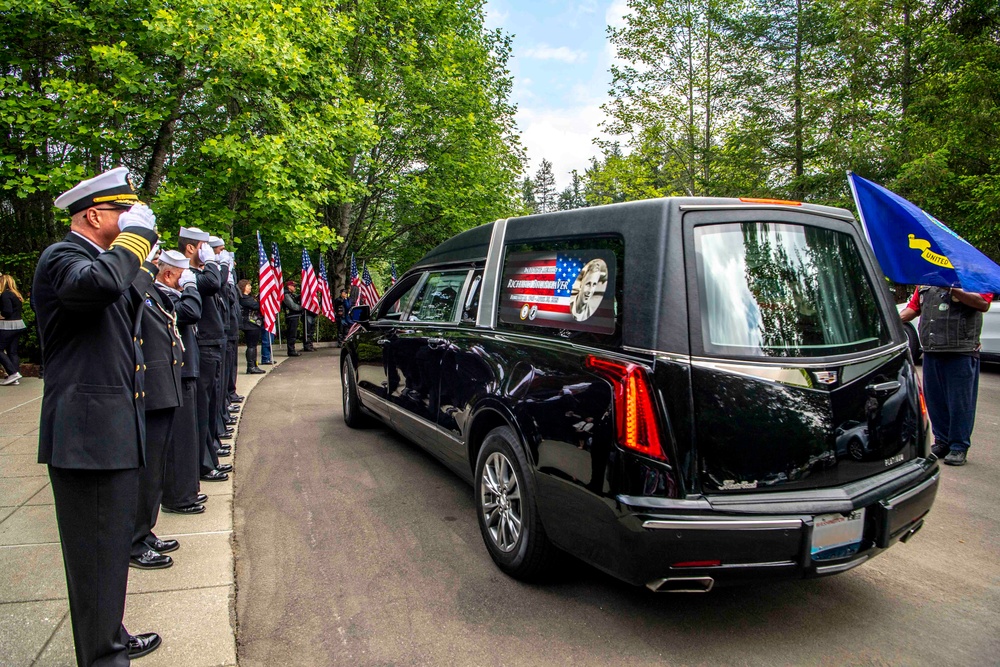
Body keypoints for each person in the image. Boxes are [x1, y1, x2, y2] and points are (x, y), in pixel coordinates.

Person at [33, 166, 162, 664]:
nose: (129, 218)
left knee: (108, 552)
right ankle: (102, 656)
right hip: (86, 436)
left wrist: (143, 255)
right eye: (121, 211)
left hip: (108, 431)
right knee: (94, 556)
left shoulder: (100, 260)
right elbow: (102, 283)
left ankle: (110, 634)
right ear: (93, 214)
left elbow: (128, 291)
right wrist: (137, 237)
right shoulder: (64, 256)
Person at [130, 246, 187, 571]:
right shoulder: (140, 289)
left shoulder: (153, 292)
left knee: (155, 469)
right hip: (151, 389)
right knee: (147, 469)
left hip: (163, 389)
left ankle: (145, 530)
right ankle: (135, 538)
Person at [900, 285, 993, 466]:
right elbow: (913, 309)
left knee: (960, 402)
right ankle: (942, 442)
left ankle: (959, 446)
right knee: (935, 400)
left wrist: (952, 289)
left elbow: (983, 304)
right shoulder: (926, 282)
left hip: (960, 351)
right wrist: (889, 320)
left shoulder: (969, 276)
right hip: (931, 349)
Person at [178, 227, 232, 483]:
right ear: (191, 248)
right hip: (202, 345)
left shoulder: (199, 272)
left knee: (210, 405)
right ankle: (202, 462)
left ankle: (209, 454)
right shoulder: (188, 274)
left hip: (212, 342)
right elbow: (213, 284)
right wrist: (212, 261)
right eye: (205, 247)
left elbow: (219, 287)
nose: (212, 254)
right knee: (202, 408)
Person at [157, 251, 208, 515]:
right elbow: (191, 311)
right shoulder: (161, 294)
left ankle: (187, 491)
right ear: (167, 274)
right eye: (180, 275)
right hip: (177, 372)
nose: (184, 280)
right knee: (179, 440)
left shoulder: (168, 293)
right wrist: (190, 286)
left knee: (187, 437)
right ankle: (178, 496)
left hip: (186, 370)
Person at [0, 274, 27, 385]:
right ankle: (15, 376)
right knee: (12, 351)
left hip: (8, 326)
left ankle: (12, 373)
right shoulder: (16, 294)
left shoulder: (5, 294)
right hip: (19, 325)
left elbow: (7, 311)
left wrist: (1, 316)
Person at [238, 279, 265, 374]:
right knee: (251, 346)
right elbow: (256, 306)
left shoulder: (247, 298)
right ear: (243, 287)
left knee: (253, 346)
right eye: (248, 285)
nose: (250, 287)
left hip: (253, 324)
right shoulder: (243, 298)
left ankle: (254, 365)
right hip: (250, 324)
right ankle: (251, 366)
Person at [283, 280, 303, 356]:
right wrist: (302, 308)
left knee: (293, 334)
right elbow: (292, 306)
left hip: (294, 316)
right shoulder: (286, 295)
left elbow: (296, 298)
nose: (295, 288)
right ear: (289, 286)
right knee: (291, 334)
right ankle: (291, 350)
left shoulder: (290, 294)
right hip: (291, 316)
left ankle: (292, 349)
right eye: (294, 286)